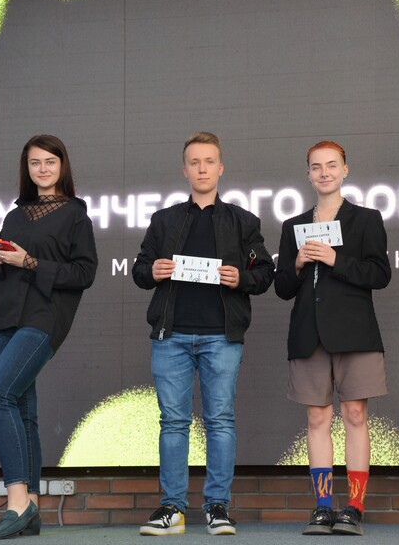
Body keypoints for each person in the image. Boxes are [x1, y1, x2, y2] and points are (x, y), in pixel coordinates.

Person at [132, 131, 275, 537]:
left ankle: (217, 506)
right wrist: (152, 270)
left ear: (220, 167)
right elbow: (140, 269)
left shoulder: (243, 221)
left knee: (220, 421)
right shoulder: (164, 220)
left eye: (209, 161)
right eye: (194, 162)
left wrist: (241, 278)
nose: (202, 168)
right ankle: (172, 508)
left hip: (221, 335)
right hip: (171, 335)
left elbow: (265, 272)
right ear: (185, 169)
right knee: (173, 422)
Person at [0, 134, 98, 539]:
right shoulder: (14, 215)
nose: (42, 169)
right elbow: (1, 275)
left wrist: (29, 261)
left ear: (62, 166)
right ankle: (31, 508)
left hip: (44, 317)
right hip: (4, 318)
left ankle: (16, 503)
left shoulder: (76, 215)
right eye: (35, 163)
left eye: (50, 161)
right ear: (26, 169)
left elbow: (84, 273)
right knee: (22, 410)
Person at [275, 141, 391, 536]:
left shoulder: (366, 219)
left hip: (355, 332)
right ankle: (323, 506)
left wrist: (335, 260)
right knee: (316, 417)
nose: (324, 172)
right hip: (309, 333)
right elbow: (283, 288)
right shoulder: (293, 226)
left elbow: (380, 274)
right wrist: (296, 263)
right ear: (308, 174)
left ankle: (354, 507)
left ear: (345, 170)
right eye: (316, 167)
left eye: (331, 165)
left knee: (355, 414)